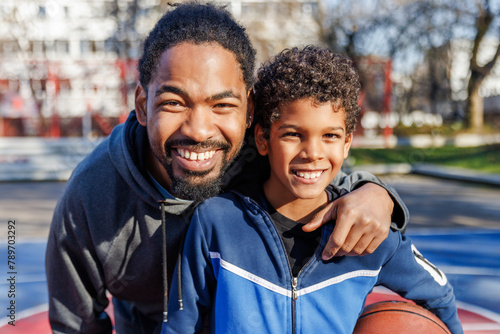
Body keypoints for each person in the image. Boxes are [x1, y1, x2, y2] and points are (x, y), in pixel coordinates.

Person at [45, 3, 408, 334]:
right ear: (142, 105)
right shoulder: (92, 197)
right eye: (173, 102)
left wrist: (377, 193)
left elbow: (323, 172)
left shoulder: (260, 152)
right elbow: (74, 324)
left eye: (221, 105)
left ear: (249, 109)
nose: (199, 130)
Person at [162, 46, 462, 334]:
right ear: (263, 139)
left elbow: (440, 296)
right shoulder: (217, 221)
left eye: (330, 135)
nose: (313, 152)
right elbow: (180, 324)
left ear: (347, 144)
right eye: (293, 134)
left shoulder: (368, 232)